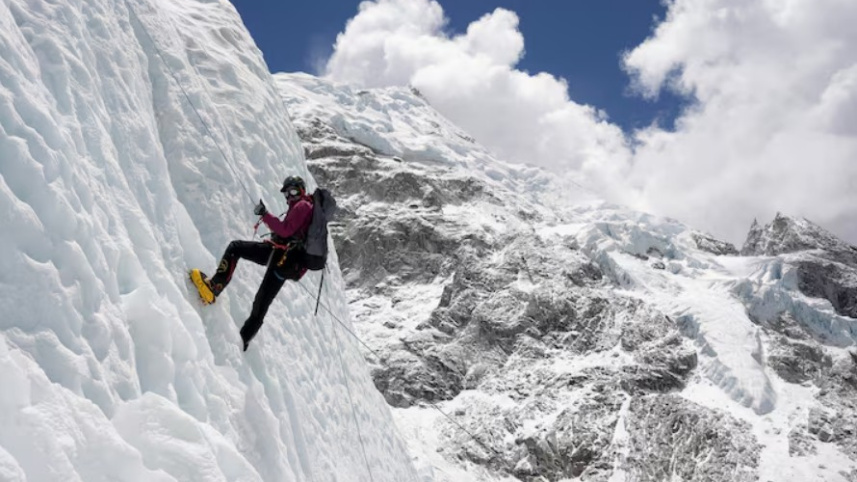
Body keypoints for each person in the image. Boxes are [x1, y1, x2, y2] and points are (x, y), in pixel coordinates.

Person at [190, 175, 313, 351]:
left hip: (279, 255)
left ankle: (215, 286)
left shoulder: (302, 206)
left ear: (301, 190)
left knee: (235, 248)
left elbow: (285, 231)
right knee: (261, 302)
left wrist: (265, 214)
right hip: (286, 263)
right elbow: (288, 232)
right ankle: (243, 340)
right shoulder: (304, 208)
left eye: (293, 191)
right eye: (287, 193)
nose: (289, 196)